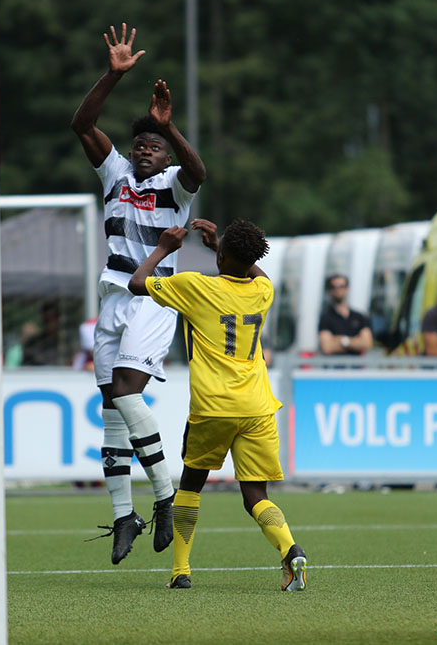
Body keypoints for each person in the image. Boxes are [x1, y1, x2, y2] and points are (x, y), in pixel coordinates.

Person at [72, 22, 206, 564]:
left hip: (153, 297)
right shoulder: (117, 176)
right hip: (112, 298)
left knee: (128, 393)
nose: (144, 151)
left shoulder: (174, 183)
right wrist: (112, 74)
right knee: (110, 407)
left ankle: (165, 494)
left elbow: (199, 170)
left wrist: (170, 129)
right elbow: (81, 123)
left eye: (152, 146)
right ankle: (123, 513)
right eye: (140, 145)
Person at [128, 218, 306, 591]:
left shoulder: (196, 286)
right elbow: (258, 273)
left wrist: (163, 248)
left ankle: (181, 571)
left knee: (191, 487)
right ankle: (290, 549)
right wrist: (221, 247)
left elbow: (137, 283)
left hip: (213, 406)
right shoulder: (262, 291)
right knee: (256, 496)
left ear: (221, 256)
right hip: (257, 407)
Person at [318, 274, 373, 355]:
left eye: (341, 286)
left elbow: (367, 344)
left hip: (356, 365)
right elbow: (327, 347)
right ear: (330, 290)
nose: (338, 290)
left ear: (347, 288)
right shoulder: (326, 318)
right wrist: (356, 342)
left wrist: (341, 340)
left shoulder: (359, 317)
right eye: (334, 287)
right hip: (333, 366)